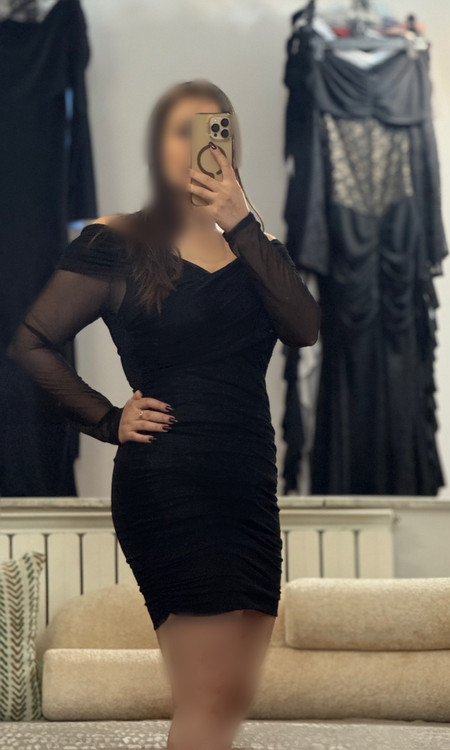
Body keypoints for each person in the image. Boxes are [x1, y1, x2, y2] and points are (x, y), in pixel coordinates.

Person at [7, 79, 320, 750]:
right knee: (207, 698)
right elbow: (31, 343)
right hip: (169, 481)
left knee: (228, 699)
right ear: (159, 148)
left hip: (248, 486)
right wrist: (106, 418)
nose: (197, 142)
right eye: (181, 130)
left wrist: (240, 222)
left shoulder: (256, 244)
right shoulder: (117, 241)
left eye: (212, 127)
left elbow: (304, 329)